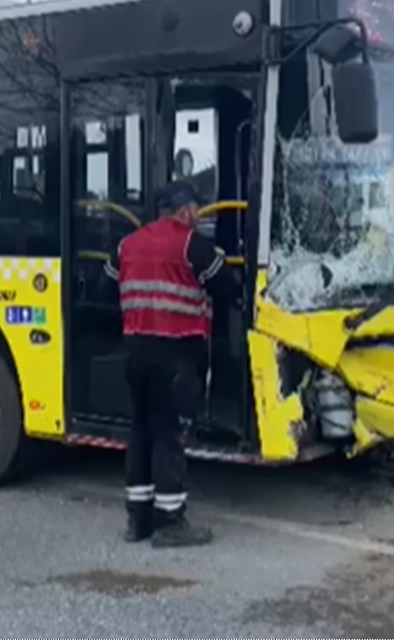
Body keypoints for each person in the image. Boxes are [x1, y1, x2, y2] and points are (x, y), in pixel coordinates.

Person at [103, 180, 235, 548]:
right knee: (170, 435)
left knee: (141, 430)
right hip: (176, 354)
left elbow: (105, 285)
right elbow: (226, 286)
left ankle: (138, 519)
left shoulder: (127, 244)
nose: (198, 215)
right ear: (185, 211)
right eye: (196, 209)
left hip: (135, 352)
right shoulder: (193, 244)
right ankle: (170, 521)